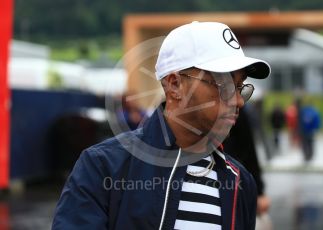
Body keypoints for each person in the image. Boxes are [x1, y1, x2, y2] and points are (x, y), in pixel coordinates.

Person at [52, 21, 270, 230]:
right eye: (224, 84)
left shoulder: (241, 182)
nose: (239, 100)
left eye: (240, 87)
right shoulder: (102, 167)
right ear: (175, 85)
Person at [223, 106, 272, 229]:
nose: (239, 100)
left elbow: (248, 149)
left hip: (233, 181)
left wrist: (259, 191)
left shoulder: (235, 107)